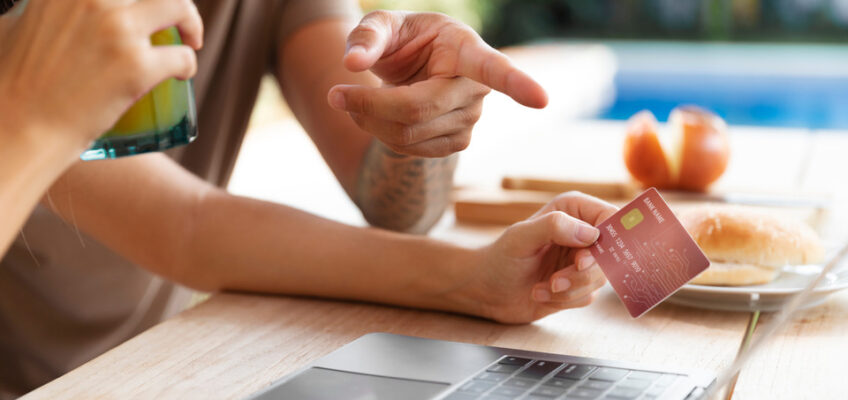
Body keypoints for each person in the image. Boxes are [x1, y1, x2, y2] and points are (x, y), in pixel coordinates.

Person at [0, 0, 617, 397]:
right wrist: (473, 279)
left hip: (162, 374)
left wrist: (415, 110)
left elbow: (392, 199)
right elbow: (185, 226)